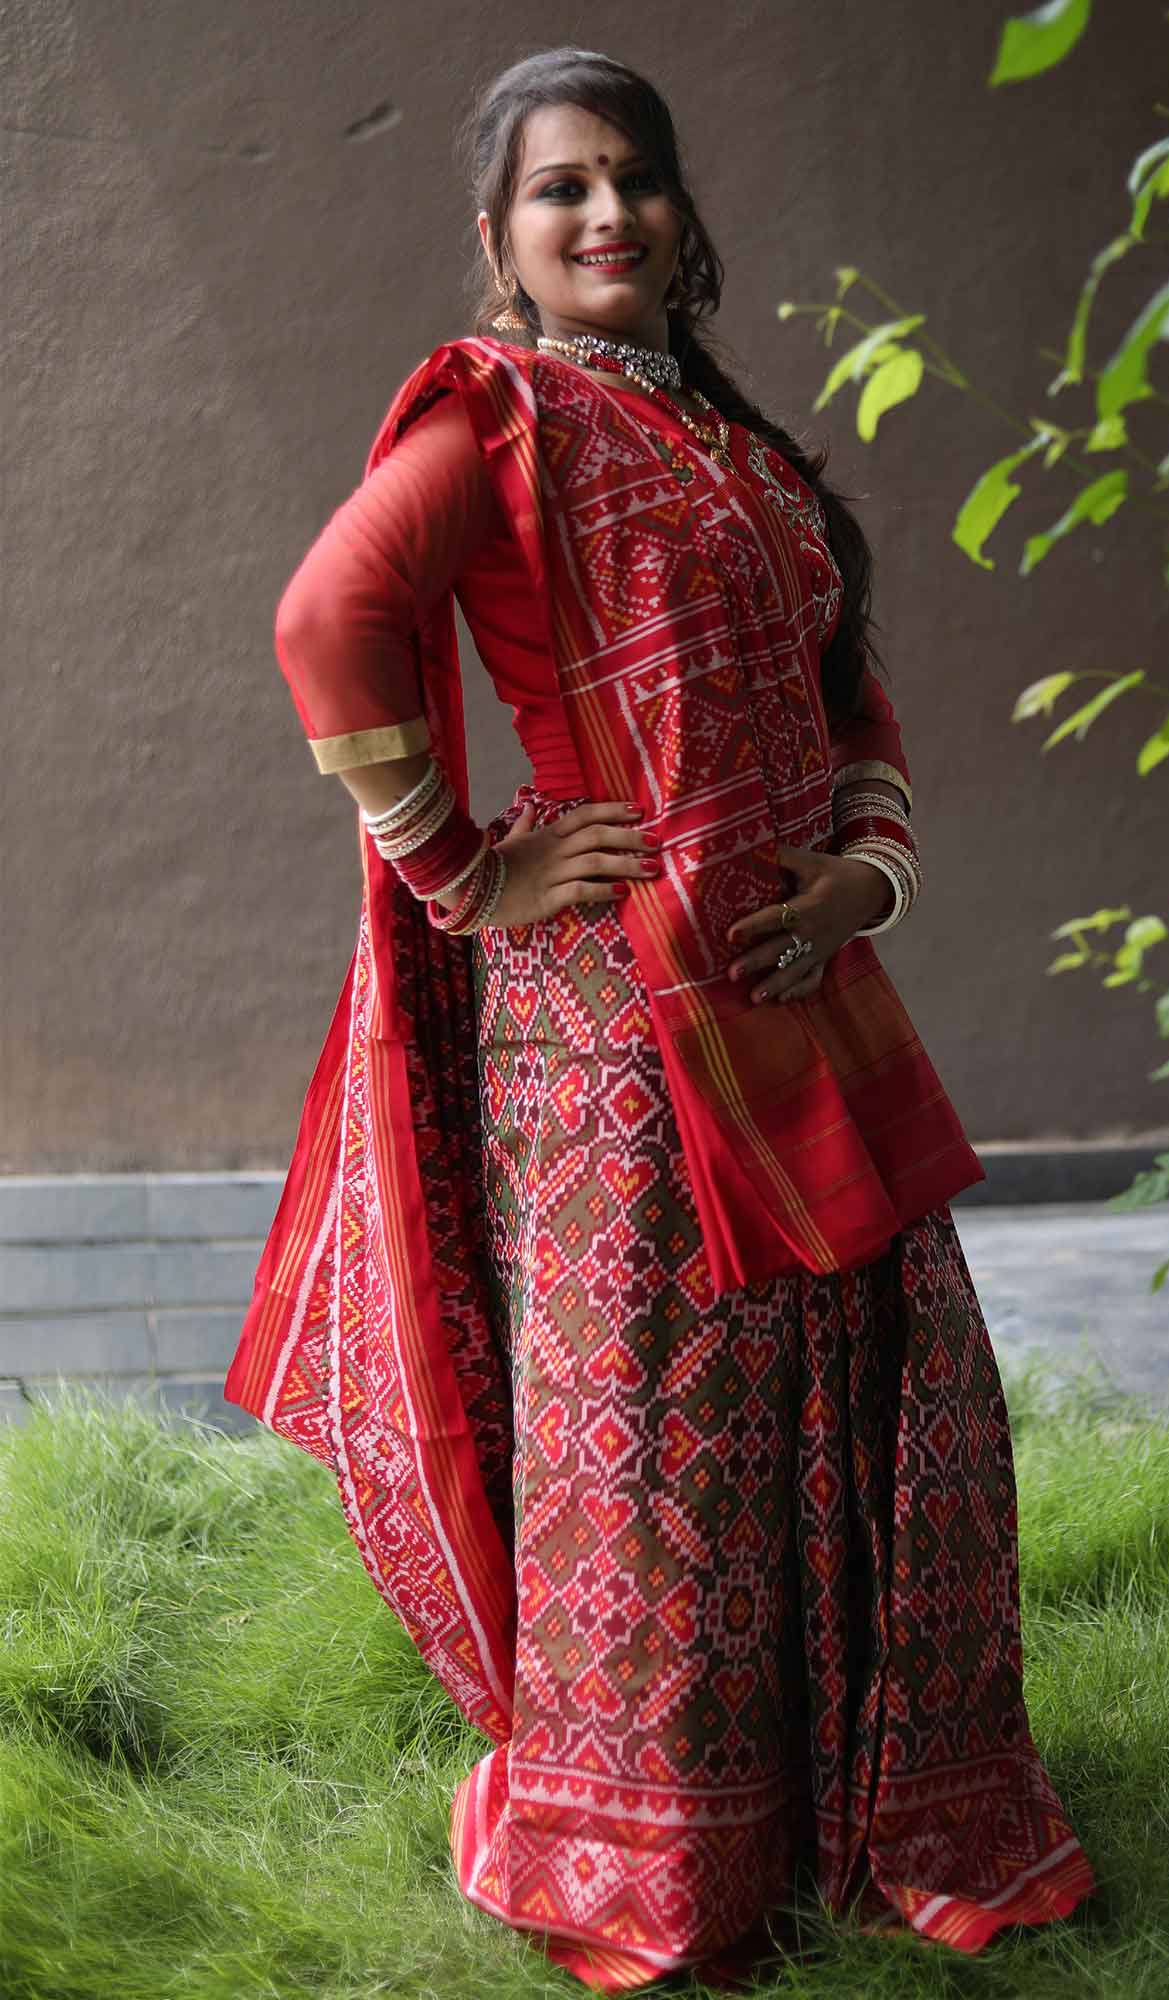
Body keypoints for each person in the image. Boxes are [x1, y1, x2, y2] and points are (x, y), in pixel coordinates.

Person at [224, 45, 1096, 1992]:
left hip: (807, 995)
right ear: (499, 237)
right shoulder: (501, 418)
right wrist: (465, 871)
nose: (606, 211)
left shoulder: (738, 448)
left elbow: (850, 698)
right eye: (562, 187)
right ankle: (667, 1851)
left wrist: (865, 879)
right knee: (671, 1453)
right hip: (622, 1032)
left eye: (635, 178)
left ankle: (866, 1807)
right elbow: (325, 620)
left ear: (684, 216)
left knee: (889, 1403)